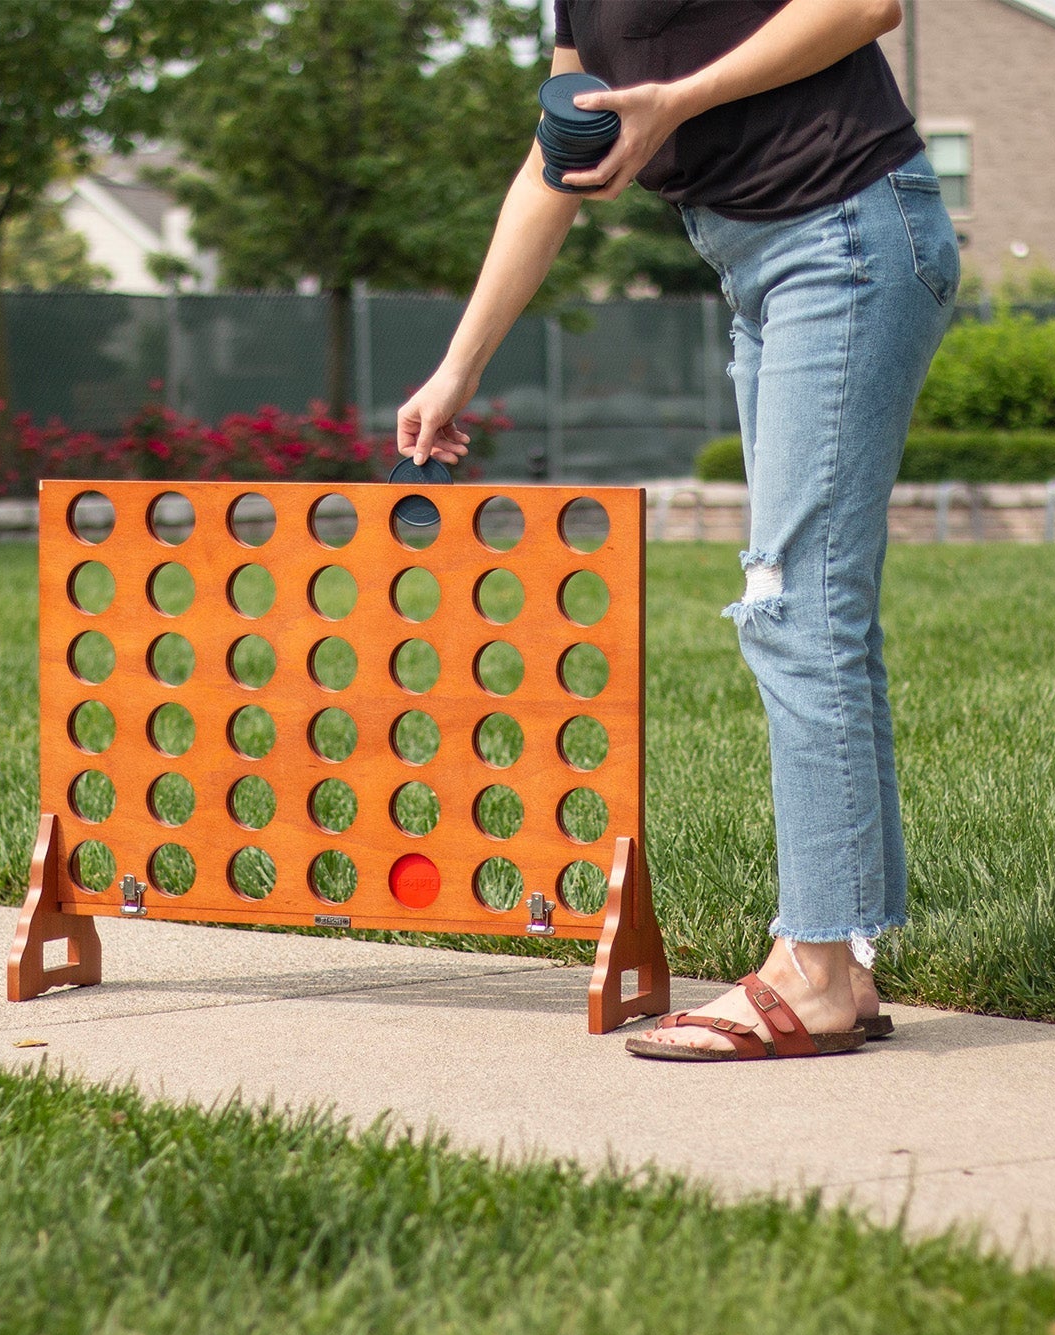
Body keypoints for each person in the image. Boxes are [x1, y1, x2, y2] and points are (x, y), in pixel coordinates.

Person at [396, 0, 959, 1061]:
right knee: (817, 610)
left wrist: (683, 102)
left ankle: (819, 971)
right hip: (767, 265)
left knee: (794, 610)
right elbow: (554, 155)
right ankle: (844, 959)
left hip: (842, 231)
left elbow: (866, 4)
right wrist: (459, 365)